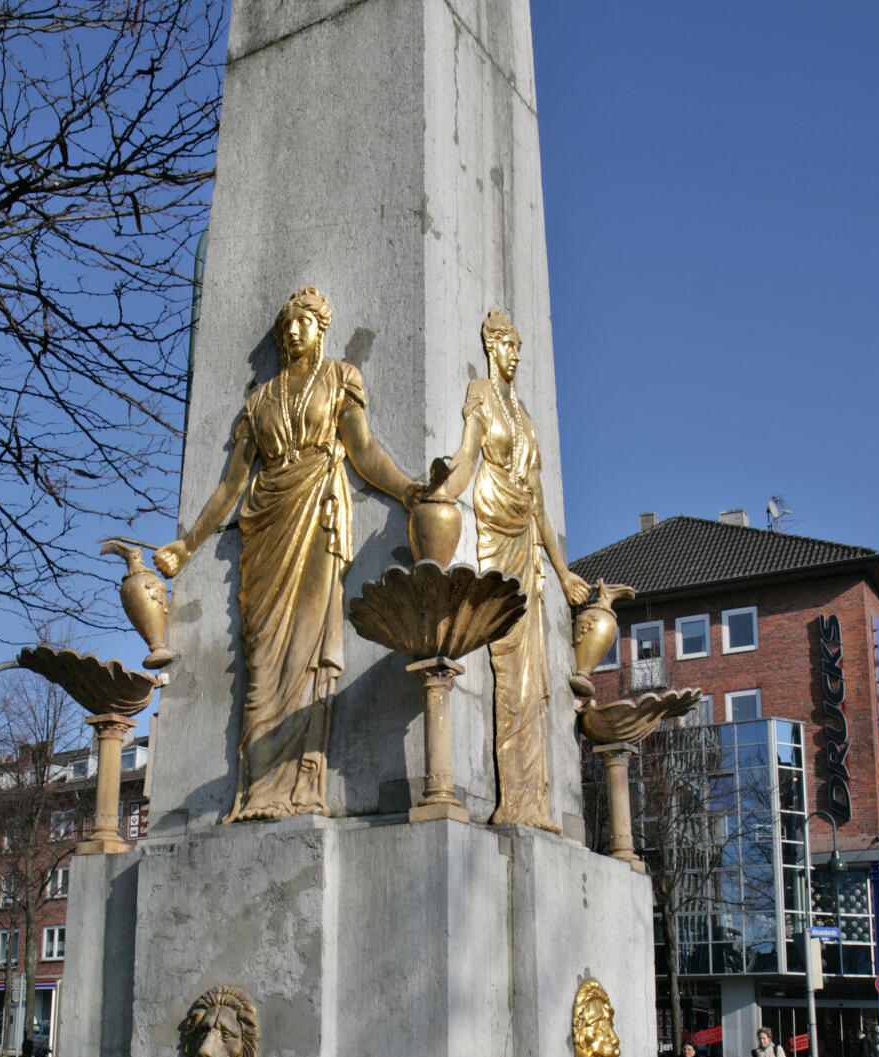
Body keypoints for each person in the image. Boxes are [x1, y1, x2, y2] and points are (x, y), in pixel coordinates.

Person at [155, 286, 423, 821]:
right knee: (261, 656)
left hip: (318, 512)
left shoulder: (340, 378)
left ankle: (300, 785)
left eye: (304, 322)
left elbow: (364, 451)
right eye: (288, 325)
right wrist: (187, 546)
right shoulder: (260, 400)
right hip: (267, 523)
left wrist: (409, 491)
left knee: (303, 649)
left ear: (321, 327)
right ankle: (259, 788)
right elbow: (232, 486)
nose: (294, 330)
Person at [442, 310, 590, 831]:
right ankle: (513, 798)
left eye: (520, 346)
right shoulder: (481, 394)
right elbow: (465, 455)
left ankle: (530, 801)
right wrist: (439, 493)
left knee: (531, 675)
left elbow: (541, 505)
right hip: (494, 533)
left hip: (525, 540)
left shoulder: (524, 415)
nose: (517, 354)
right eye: (509, 345)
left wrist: (564, 570)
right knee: (507, 664)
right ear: (491, 346)